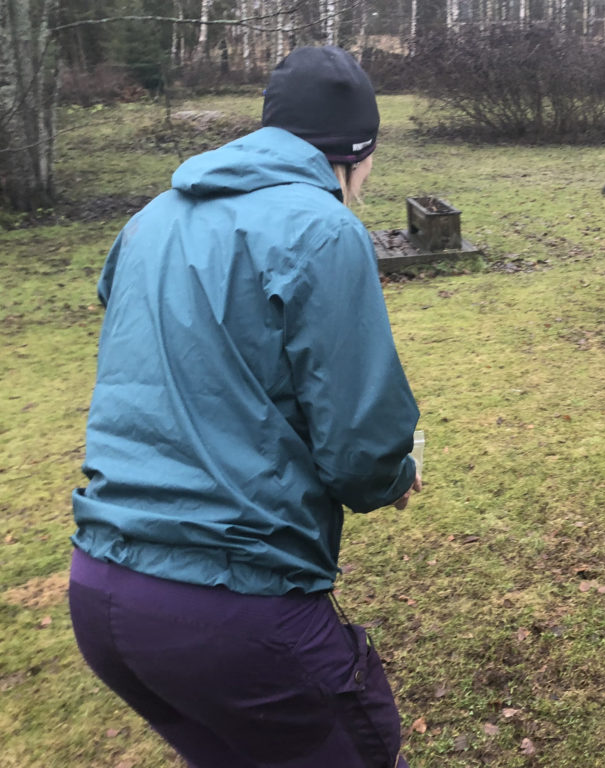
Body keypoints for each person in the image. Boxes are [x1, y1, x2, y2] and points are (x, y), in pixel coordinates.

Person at [68, 46, 421, 768]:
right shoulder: (323, 228)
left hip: (102, 589)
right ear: (359, 152)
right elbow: (360, 448)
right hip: (232, 607)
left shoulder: (149, 218)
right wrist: (396, 475)